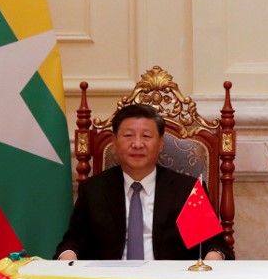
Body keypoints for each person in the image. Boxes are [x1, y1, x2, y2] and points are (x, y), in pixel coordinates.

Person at [56, 104, 232, 261]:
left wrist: (213, 255)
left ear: (161, 144)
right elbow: (75, 240)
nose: (137, 144)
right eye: (129, 136)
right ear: (115, 143)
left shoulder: (185, 191)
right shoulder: (95, 190)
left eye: (146, 136)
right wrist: (69, 254)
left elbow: (211, 244)